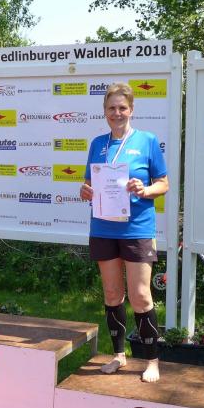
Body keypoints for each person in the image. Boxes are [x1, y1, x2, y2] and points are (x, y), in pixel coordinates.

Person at [80, 83, 169, 383]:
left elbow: (164, 183)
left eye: (122, 107)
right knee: (112, 294)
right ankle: (119, 355)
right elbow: (89, 183)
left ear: (131, 110)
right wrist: (85, 190)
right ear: (104, 111)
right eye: (111, 108)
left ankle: (152, 360)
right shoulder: (97, 143)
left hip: (137, 229)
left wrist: (145, 190)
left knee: (141, 296)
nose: (116, 113)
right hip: (103, 228)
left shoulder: (147, 141)